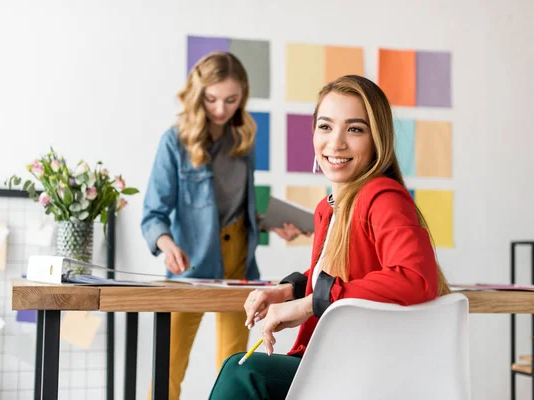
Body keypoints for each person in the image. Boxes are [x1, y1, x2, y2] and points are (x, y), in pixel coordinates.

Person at [208, 74, 451, 399]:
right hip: (332, 358)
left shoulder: (383, 197)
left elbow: (416, 278)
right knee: (240, 368)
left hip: (366, 368)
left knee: (244, 373)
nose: (335, 143)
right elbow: (345, 272)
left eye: (355, 129)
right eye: (325, 127)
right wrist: (290, 290)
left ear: (377, 138)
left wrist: (311, 303)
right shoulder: (330, 206)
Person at [141, 51, 306, 400]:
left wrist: (270, 225)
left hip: (240, 264)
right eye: (212, 99)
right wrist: (166, 245)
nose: (221, 109)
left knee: (233, 362)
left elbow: (237, 210)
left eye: (231, 100)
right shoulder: (176, 142)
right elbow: (153, 213)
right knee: (169, 364)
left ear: (242, 96)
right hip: (191, 263)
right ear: (198, 94)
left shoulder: (243, 139)